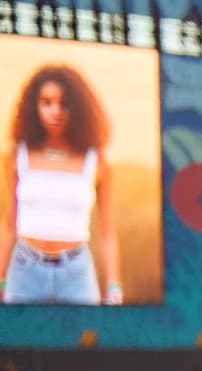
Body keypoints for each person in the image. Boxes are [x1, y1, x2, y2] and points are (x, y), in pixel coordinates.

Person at [1, 65, 121, 304]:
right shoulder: (18, 156)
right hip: (25, 268)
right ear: (34, 107)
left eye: (63, 103)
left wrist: (114, 285)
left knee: (86, 337)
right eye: (46, 103)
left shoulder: (95, 160)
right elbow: (9, 223)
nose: (55, 111)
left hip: (76, 270)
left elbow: (107, 232)